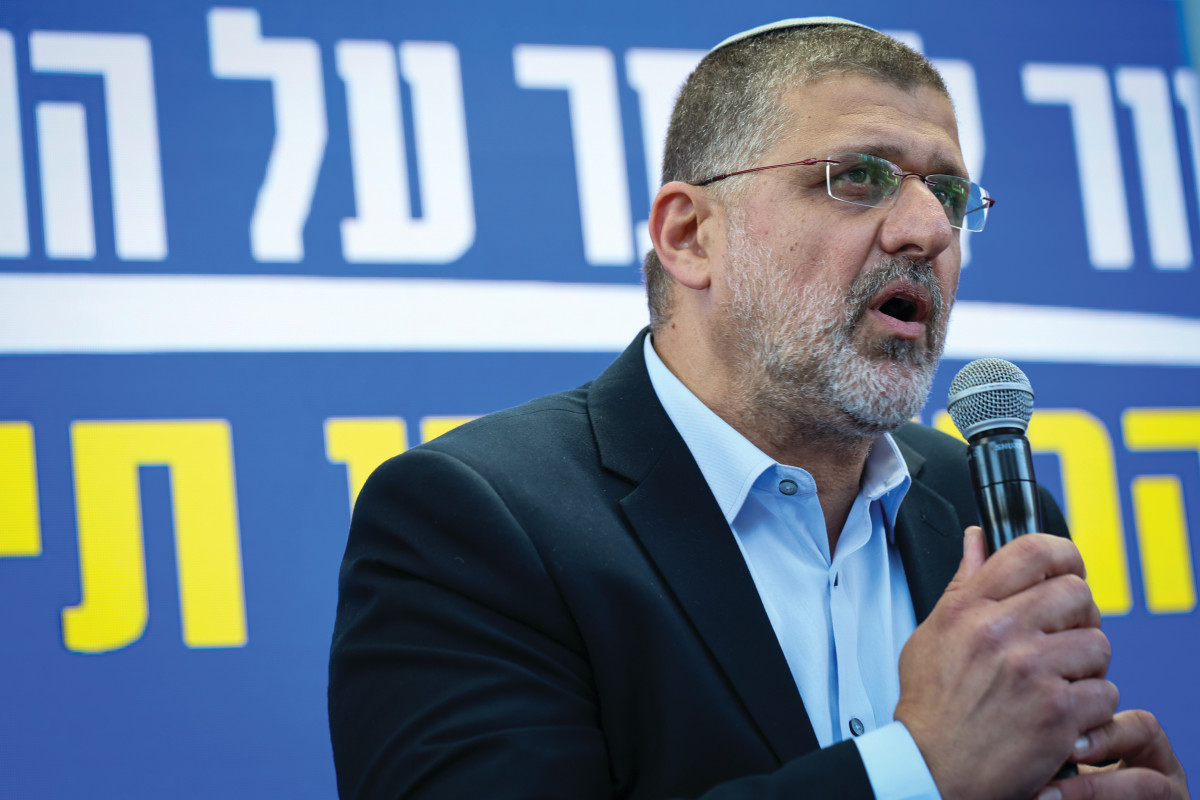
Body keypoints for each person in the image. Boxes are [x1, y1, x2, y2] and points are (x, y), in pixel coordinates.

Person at [328, 17, 1189, 800]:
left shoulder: (983, 507)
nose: (929, 230)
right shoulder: (474, 518)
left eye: (951, 195)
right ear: (690, 236)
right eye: (860, 177)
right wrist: (917, 772)